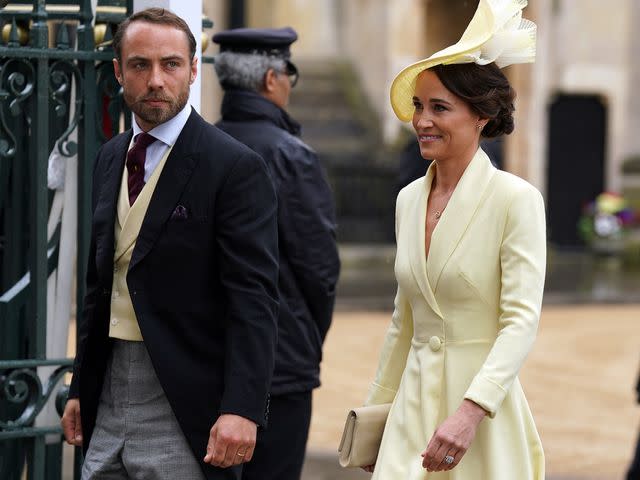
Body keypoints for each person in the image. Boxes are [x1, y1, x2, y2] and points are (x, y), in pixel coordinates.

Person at [60, 8, 279, 480]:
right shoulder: (110, 156)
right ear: (118, 72)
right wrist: (81, 384)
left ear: (194, 70)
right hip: (109, 390)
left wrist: (243, 407)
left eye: (171, 64)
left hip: (185, 397)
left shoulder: (234, 167)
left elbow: (254, 298)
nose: (156, 79)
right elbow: (101, 282)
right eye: (140, 65)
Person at [362, 1, 545, 478]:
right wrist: (375, 418)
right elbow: (404, 322)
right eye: (419, 106)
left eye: (439, 108)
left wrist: (471, 410)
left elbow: (520, 320)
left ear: (481, 117)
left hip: (481, 416)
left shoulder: (516, 199)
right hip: (410, 412)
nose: (422, 120)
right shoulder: (407, 199)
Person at [211, 27, 341, 480]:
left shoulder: (199, 147)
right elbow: (320, 271)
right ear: (271, 79)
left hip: (207, 358)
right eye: (290, 72)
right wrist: (306, 341)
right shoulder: (291, 155)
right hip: (280, 366)